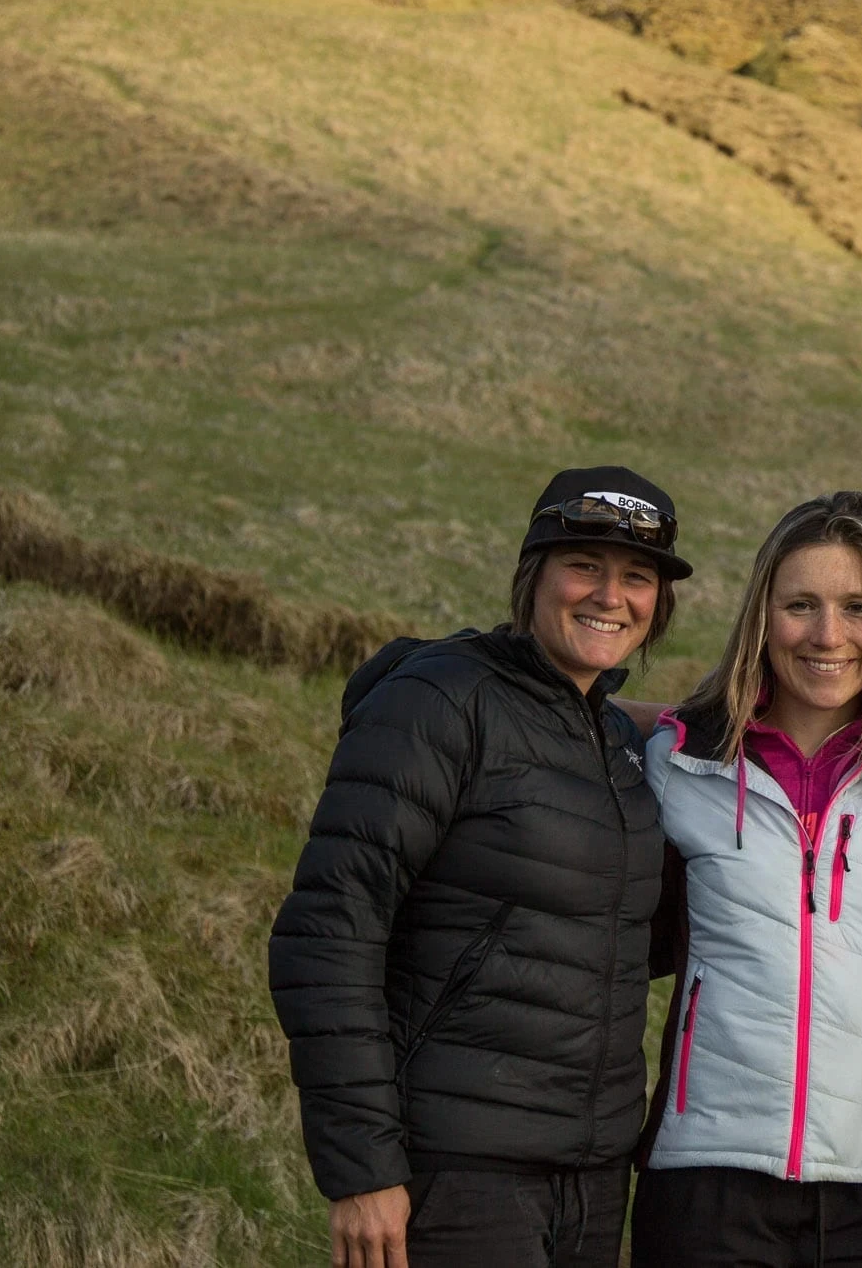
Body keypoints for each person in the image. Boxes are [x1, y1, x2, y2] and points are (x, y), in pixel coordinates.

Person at [268, 467, 694, 1268]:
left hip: (592, 1178)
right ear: (533, 573)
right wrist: (362, 1167)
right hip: (459, 1173)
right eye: (585, 566)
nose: (611, 596)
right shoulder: (439, 704)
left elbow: (610, 938)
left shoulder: (616, 745)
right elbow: (328, 932)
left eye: (638, 577)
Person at [630, 491, 862, 1268]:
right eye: (800, 604)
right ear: (762, 617)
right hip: (705, 1184)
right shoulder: (680, 766)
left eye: (856, 607)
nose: (828, 635)